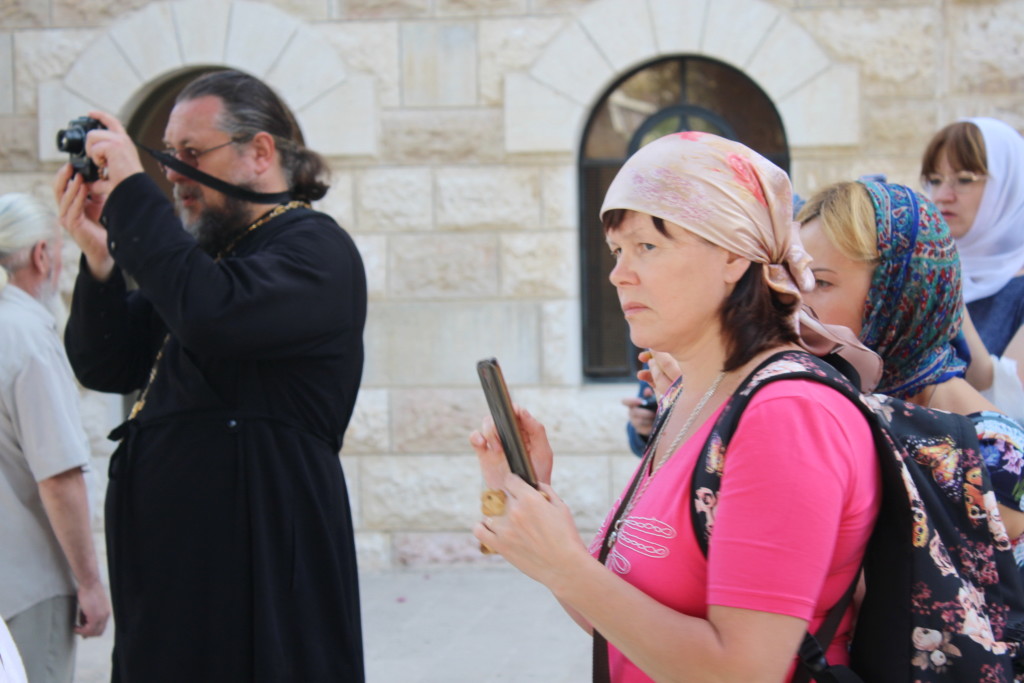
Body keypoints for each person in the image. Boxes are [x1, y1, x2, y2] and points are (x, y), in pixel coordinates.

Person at [471, 132, 885, 681]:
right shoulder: (695, 396)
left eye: (647, 246)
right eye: (617, 250)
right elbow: (617, 625)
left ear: (734, 254)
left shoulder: (789, 414)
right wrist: (532, 503)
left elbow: (743, 671)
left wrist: (566, 566)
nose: (619, 273)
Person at [52, 70, 367, 681]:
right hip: (180, 583)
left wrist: (132, 195)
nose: (173, 173)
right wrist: (100, 255)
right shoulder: (208, 262)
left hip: (262, 564)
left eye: (192, 154)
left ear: (260, 152)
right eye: (167, 156)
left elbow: (211, 315)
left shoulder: (315, 249)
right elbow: (106, 363)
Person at [797, 179, 1024, 555]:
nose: (796, 300)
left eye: (821, 282)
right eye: (797, 278)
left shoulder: (993, 454)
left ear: (898, 296)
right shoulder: (832, 400)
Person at [0, 193, 110, 683]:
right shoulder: (27, 337)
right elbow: (59, 475)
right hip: (27, 586)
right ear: (42, 255)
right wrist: (89, 581)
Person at [920, 117, 1024, 420]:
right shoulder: (926, 267)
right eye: (935, 180)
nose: (943, 195)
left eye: (964, 180)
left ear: (1010, 186)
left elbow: (1009, 400)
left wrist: (944, 277)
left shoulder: (937, 270)